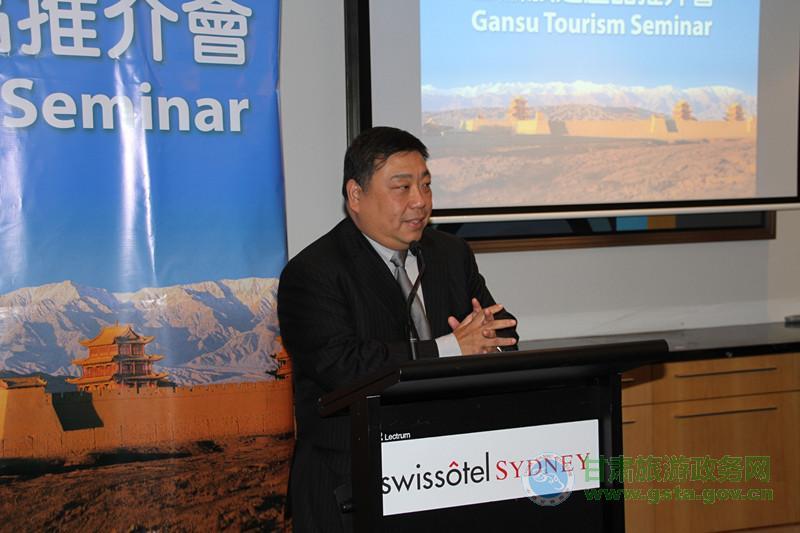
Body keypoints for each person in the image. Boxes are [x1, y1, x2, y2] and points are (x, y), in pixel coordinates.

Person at [277, 126, 518, 532]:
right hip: (352, 483)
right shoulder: (314, 272)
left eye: (426, 185)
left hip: (449, 471)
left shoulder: (450, 254)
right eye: (402, 187)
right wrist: (449, 348)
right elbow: (343, 367)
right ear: (356, 195)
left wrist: (489, 344)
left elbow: (499, 330)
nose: (420, 201)